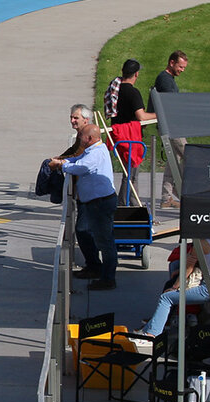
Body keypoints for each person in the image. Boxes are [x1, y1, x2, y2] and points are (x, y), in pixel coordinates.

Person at [48, 123, 118, 290]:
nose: (79, 138)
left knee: (105, 241)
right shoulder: (93, 150)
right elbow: (79, 160)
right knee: (86, 232)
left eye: (82, 136)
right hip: (95, 202)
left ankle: (108, 278)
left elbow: (82, 167)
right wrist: (65, 161)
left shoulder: (96, 153)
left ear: (90, 138)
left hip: (100, 203)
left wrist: (61, 165)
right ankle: (95, 267)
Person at [138, 238, 210, 338]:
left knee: (166, 298)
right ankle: (148, 329)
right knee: (170, 291)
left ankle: (151, 335)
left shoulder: (201, 243)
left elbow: (187, 269)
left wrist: (174, 287)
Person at [152, 51, 187, 207]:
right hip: (171, 127)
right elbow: (171, 105)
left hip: (170, 126)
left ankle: (166, 198)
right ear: (172, 63)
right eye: (180, 66)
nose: (182, 70)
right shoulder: (165, 80)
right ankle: (186, 193)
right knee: (188, 154)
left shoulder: (168, 79)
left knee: (173, 160)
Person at [107, 58, 150, 171]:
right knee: (131, 175)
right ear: (136, 74)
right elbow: (141, 116)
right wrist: (159, 114)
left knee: (125, 174)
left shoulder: (114, 89)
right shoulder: (133, 92)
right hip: (130, 138)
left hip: (116, 136)